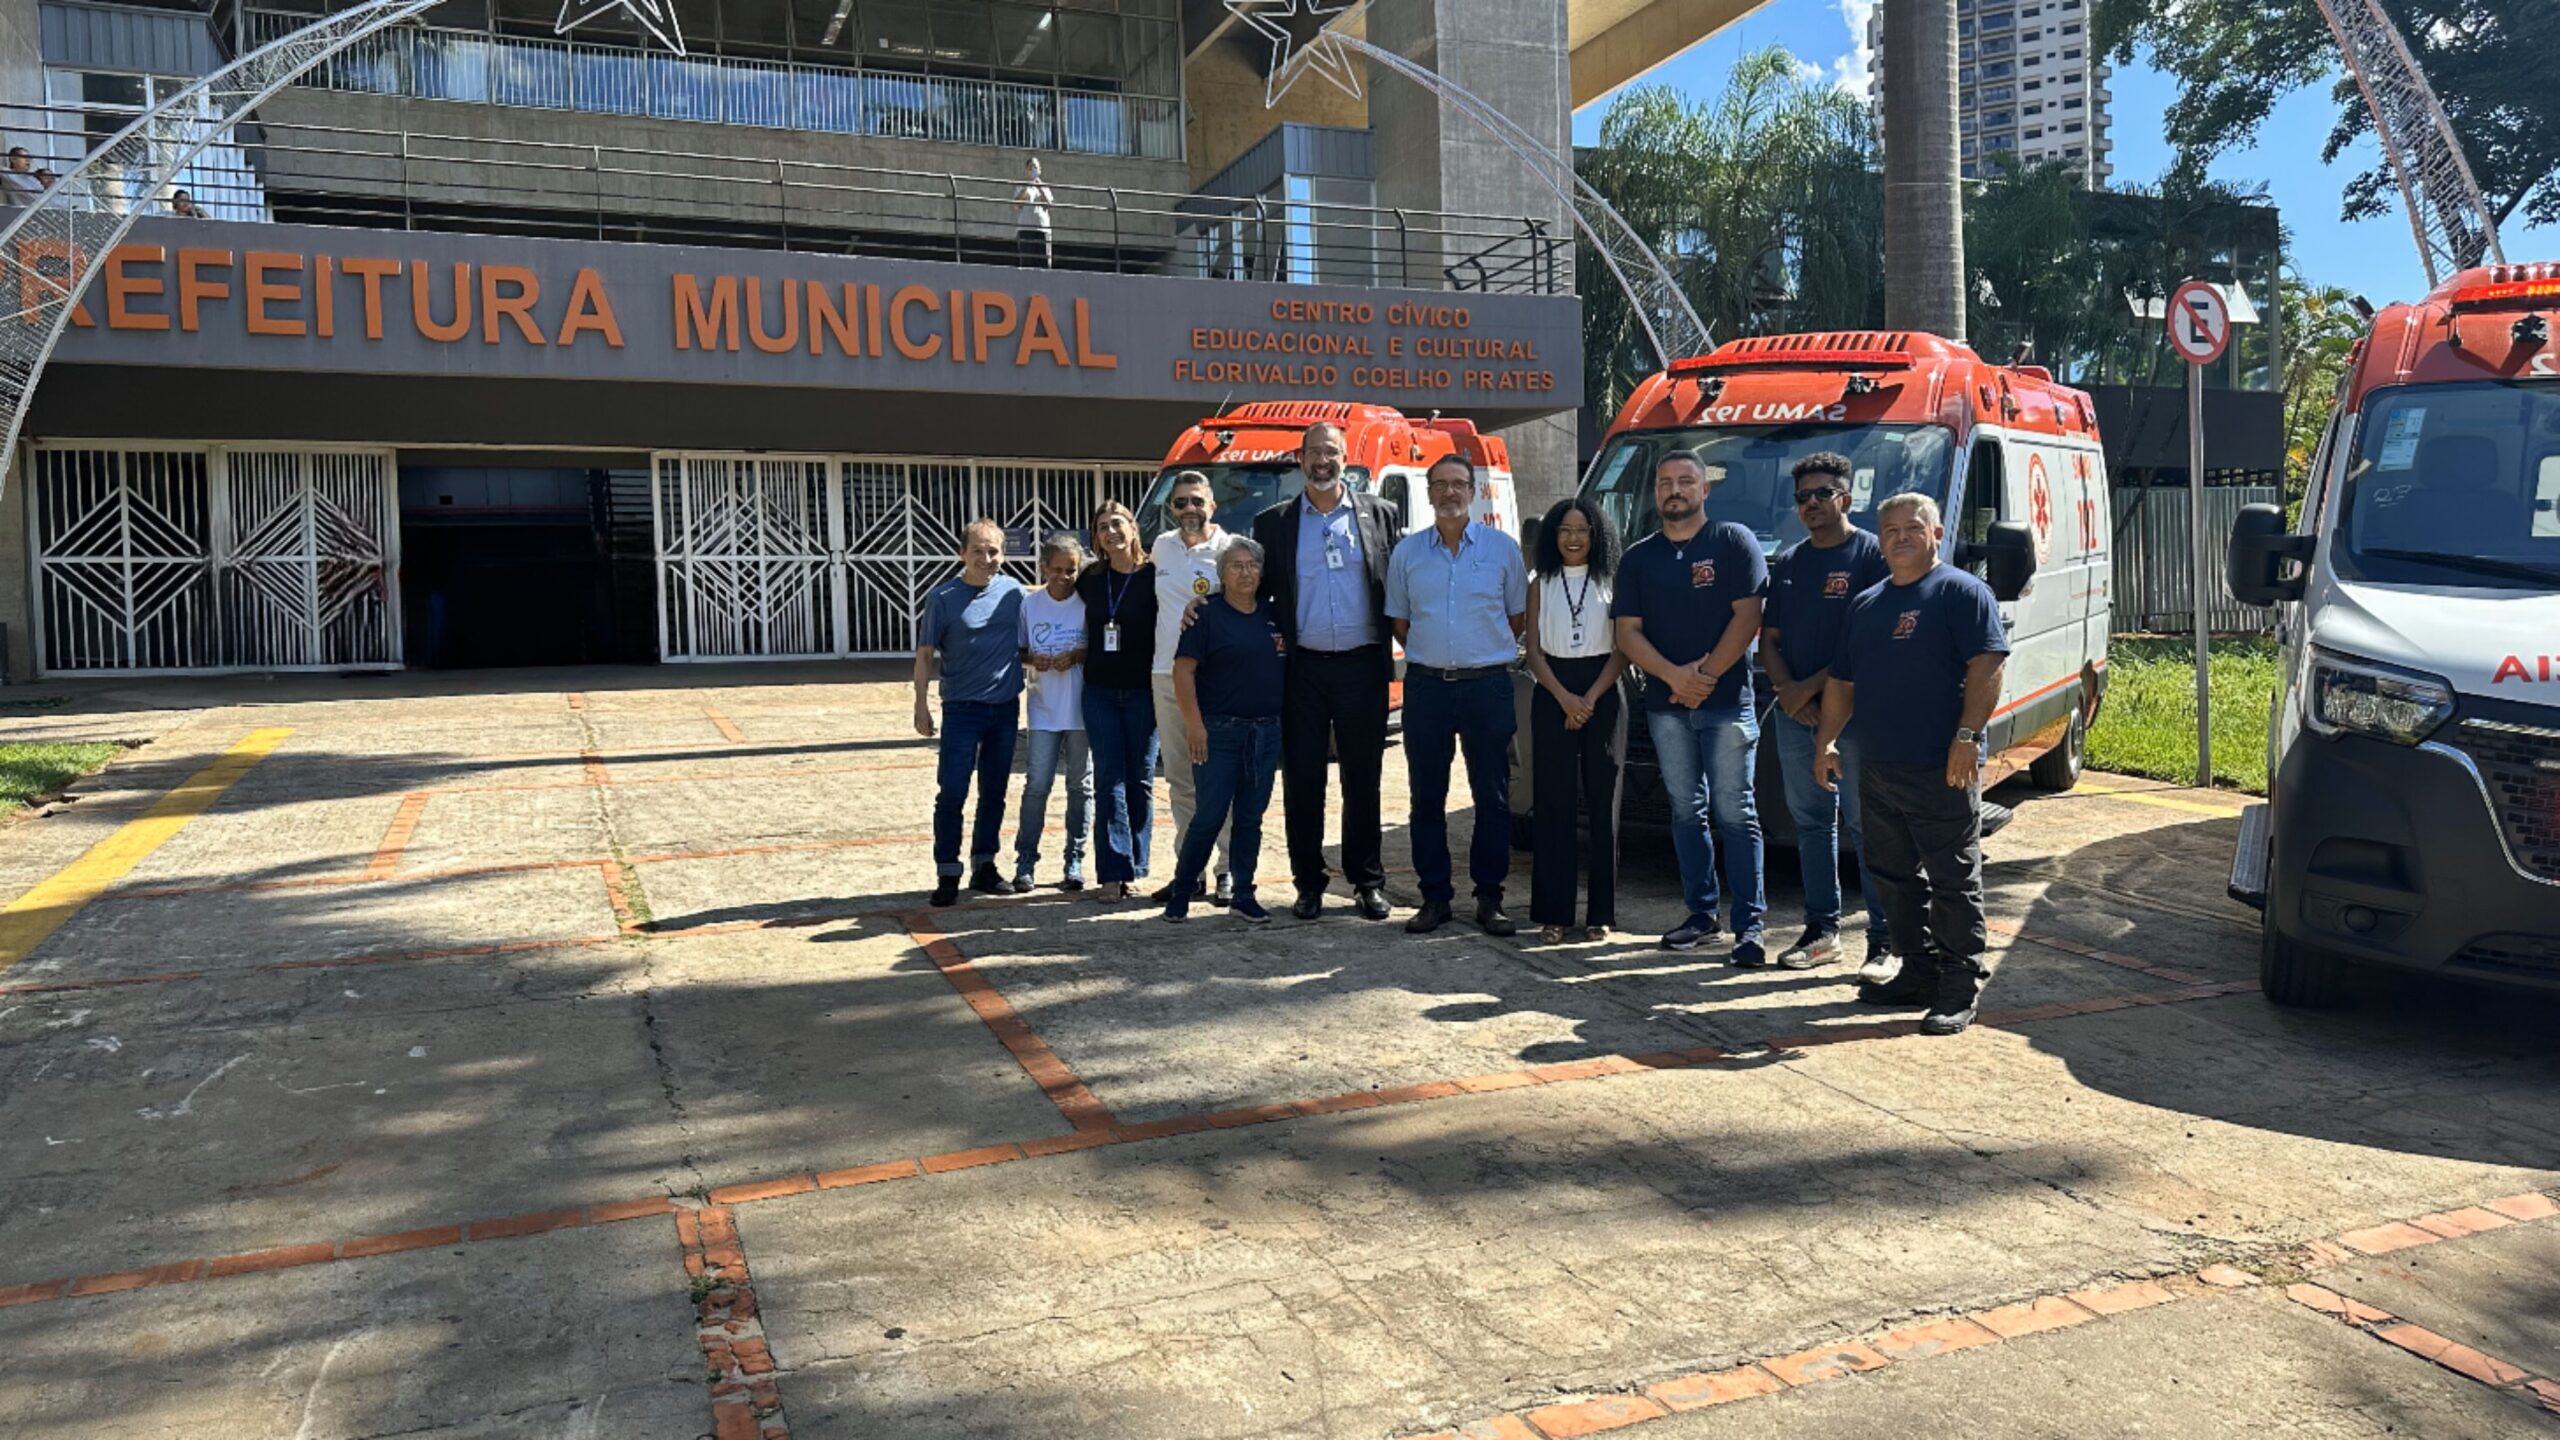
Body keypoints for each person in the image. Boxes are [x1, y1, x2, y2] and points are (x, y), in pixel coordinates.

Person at [1814, 492, 2010, 1036]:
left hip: (1941, 764)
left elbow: (1988, 664)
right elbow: (1842, 681)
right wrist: (1826, 741)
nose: (1901, 536)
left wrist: (1967, 738)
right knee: (1891, 876)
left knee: (1952, 878)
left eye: (1912, 528)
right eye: (1891, 529)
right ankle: (1917, 970)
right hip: (1877, 766)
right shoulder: (1867, 603)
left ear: (1937, 533)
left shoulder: (1962, 592)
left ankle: (1958, 985)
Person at [1612, 448, 1770, 961]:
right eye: (1664, 482)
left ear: (1705, 490)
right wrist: (1673, 678)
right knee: (1685, 811)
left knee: (1736, 812)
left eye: (1685, 481)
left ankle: (1750, 926)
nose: (1673, 490)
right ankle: (1702, 915)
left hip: (1726, 706)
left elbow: (1747, 617)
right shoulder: (1638, 557)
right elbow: (1626, 633)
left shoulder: (1733, 542)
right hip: (1666, 707)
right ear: (1655, 493)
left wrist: (1702, 677)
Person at [1252, 421, 1401, 922]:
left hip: (1362, 665)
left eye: (1331, 452)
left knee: (1364, 779)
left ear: (1346, 457)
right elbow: (1257, 594)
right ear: (1300, 458)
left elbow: (1396, 588)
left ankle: (1367, 882)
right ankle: (1308, 883)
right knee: (1304, 778)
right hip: (1303, 671)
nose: (1323, 461)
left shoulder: (1381, 514)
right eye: (1314, 452)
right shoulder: (1272, 524)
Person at [1761, 453, 1895, 977]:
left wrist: (1808, 692)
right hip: (1795, 717)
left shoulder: (1872, 557)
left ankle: (1885, 940)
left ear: (1847, 498)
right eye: (1802, 498)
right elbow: (1769, 639)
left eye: (1822, 494)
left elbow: (1863, 642)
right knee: (1812, 824)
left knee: (1867, 826)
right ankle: (1822, 931)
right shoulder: (1791, 563)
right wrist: (1786, 692)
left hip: (1855, 718)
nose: (1811, 504)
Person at [1386, 454, 1528, 935]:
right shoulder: (1407, 554)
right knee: (1427, 797)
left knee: (1491, 796)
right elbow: (1401, 622)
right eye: (1440, 484)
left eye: (1459, 484)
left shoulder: (1502, 549)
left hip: (1487, 685)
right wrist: (1437, 653)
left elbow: (1516, 619)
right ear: (1428, 493)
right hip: (1427, 687)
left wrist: (1473, 652)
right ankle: (1434, 898)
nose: (1450, 493)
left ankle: (1490, 898)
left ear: (1473, 491)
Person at [1164, 540, 1287, 924]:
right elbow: (1183, 671)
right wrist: (1194, 725)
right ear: (1221, 575)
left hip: (1266, 733)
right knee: (1210, 815)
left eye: (1252, 565)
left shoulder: (1275, 616)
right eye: (1235, 566)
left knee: (1251, 818)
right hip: (1219, 733)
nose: (1245, 572)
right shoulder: (1206, 615)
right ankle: (1182, 890)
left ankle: (1244, 894)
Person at [1524, 496, 1629, 945]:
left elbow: (1624, 647)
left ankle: (1600, 913)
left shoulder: (1612, 579)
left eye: (1581, 530)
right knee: (1553, 805)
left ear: (1596, 534)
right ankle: (1553, 914)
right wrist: (1566, 699)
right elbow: (1532, 651)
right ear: (1553, 536)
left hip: (1603, 688)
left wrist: (1587, 699)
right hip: (1552, 690)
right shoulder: (1540, 581)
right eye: (1564, 530)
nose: (1572, 539)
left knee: (1604, 805)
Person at [914, 519, 1028, 908]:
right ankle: (948, 870)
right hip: (961, 710)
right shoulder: (942, 597)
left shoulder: (1015, 593)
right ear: (962, 553)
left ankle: (985, 865)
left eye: (994, 550)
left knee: (994, 791)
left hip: (1004, 708)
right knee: (953, 792)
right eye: (977, 550)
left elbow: (1031, 640)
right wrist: (920, 703)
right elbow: (925, 654)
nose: (986, 558)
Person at [1150, 470, 1236, 903]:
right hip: (1165, 677)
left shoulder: (1231, 550)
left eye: (1197, 501)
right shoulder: (1161, 548)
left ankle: (1228, 870)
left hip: (1214, 681)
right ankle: (1190, 869)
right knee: (1180, 780)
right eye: (1181, 502)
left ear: (1212, 505)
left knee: (1219, 779)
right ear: (1171, 508)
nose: (1189, 510)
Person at [1078, 500, 1159, 903]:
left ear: (1133, 528)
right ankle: (1112, 871)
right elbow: (1053, 601)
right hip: (1100, 692)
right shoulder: (1090, 579)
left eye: (1117, 523)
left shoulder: (1153, 576)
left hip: (1144, 692)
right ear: (1096, 538)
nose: (1110, 531)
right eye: (1102, 527)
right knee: (1108, 777)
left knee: (1140, 779)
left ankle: (1137, 865)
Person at [1012, 533, 1092, 893]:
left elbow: (1103, 650)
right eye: (1056, 570)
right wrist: (1035, 660)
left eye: (1071, 570)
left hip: (1080, 711)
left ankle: (1074, 858)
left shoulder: (1087, 605)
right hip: (1043, 709)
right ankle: (1025, 858)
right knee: (1037, 786)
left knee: (1080, 787)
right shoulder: (1030, 605)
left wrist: (1076, 656)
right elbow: (1020, 652)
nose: (1063, 577)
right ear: (1044, 568)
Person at [1014, 157, 1054, 269]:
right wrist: (1027, 187)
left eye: (1035, 167)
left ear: (1039, 170)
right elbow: (1016, 205)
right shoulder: (1020, 186)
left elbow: (1049, 204)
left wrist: (1039, 187)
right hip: (1025, 230)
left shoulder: (1045, 187)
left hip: (1042, 230)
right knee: (1027, 264)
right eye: (1030, 167)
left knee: (1044, 264)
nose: (1033, 169)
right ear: (1026, 170)